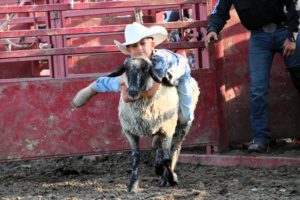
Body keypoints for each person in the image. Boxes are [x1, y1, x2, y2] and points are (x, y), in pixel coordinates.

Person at [206, 0, 300, 152]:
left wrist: (292, 36)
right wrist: (213, 29)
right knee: (257, 90)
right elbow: (220, 10)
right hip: (259, 37)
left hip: (286, 30)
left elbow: (294, 3)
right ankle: (261, 139)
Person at [72, 22, 194, 126]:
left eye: (142, 44)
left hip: (177, 71)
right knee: (124, 79)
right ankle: (96, 86)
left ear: (151, 45)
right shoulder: (130, 62)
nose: (139, 48)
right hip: (145, 74)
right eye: (134, 46)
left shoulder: (159, 60)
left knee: (185, 117)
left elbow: (151, 92)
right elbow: (126, 96)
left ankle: (176, 125)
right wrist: (126, 83)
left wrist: (131, 90)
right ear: (129, 51)